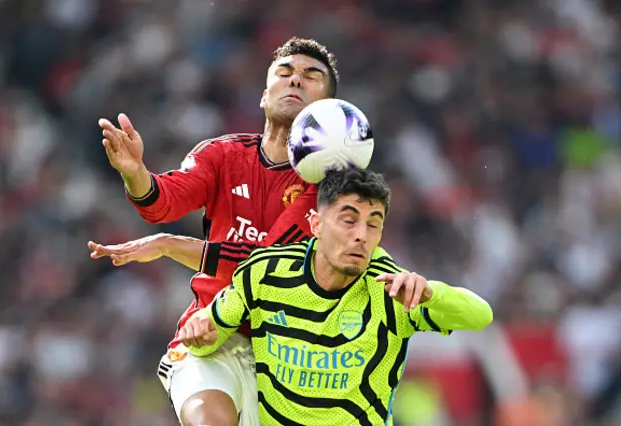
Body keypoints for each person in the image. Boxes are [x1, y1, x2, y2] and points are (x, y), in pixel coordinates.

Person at [95, 37, 338, 426]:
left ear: (329, 108)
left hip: (290, 356)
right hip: (209, 335)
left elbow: (267, 267)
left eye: (311, 76)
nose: (296, 81)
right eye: (285, 72)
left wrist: (170, 245)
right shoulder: (223, 155)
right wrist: (135, 173)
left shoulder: (330, 185)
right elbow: (162, 203)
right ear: (263, 95)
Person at [183, 168, 494, 426]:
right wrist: (200, 328)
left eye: (373, 224)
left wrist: (431, 294)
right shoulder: (265, 273)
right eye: (349, 220)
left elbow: (481, 316)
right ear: (316, 225)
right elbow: (214, 329)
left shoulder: (392, 291)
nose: (361, 234)